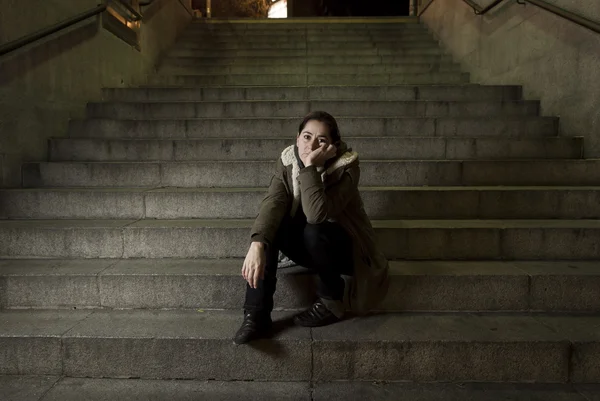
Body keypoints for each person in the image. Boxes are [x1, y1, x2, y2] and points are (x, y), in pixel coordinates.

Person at [234, 111, 390, 345]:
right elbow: (273, 203)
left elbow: (317, 214)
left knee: (313, 228)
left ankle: (331, 300)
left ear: (333, 147)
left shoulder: (347, 167)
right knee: (271, 227)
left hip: (346, 249)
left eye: (322, 140)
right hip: (313, 246)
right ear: (297, 138)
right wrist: (257, 242)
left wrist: (310, 167)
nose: (312, 144)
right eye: (306, 137)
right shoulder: (287, 160)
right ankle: (256, 314)